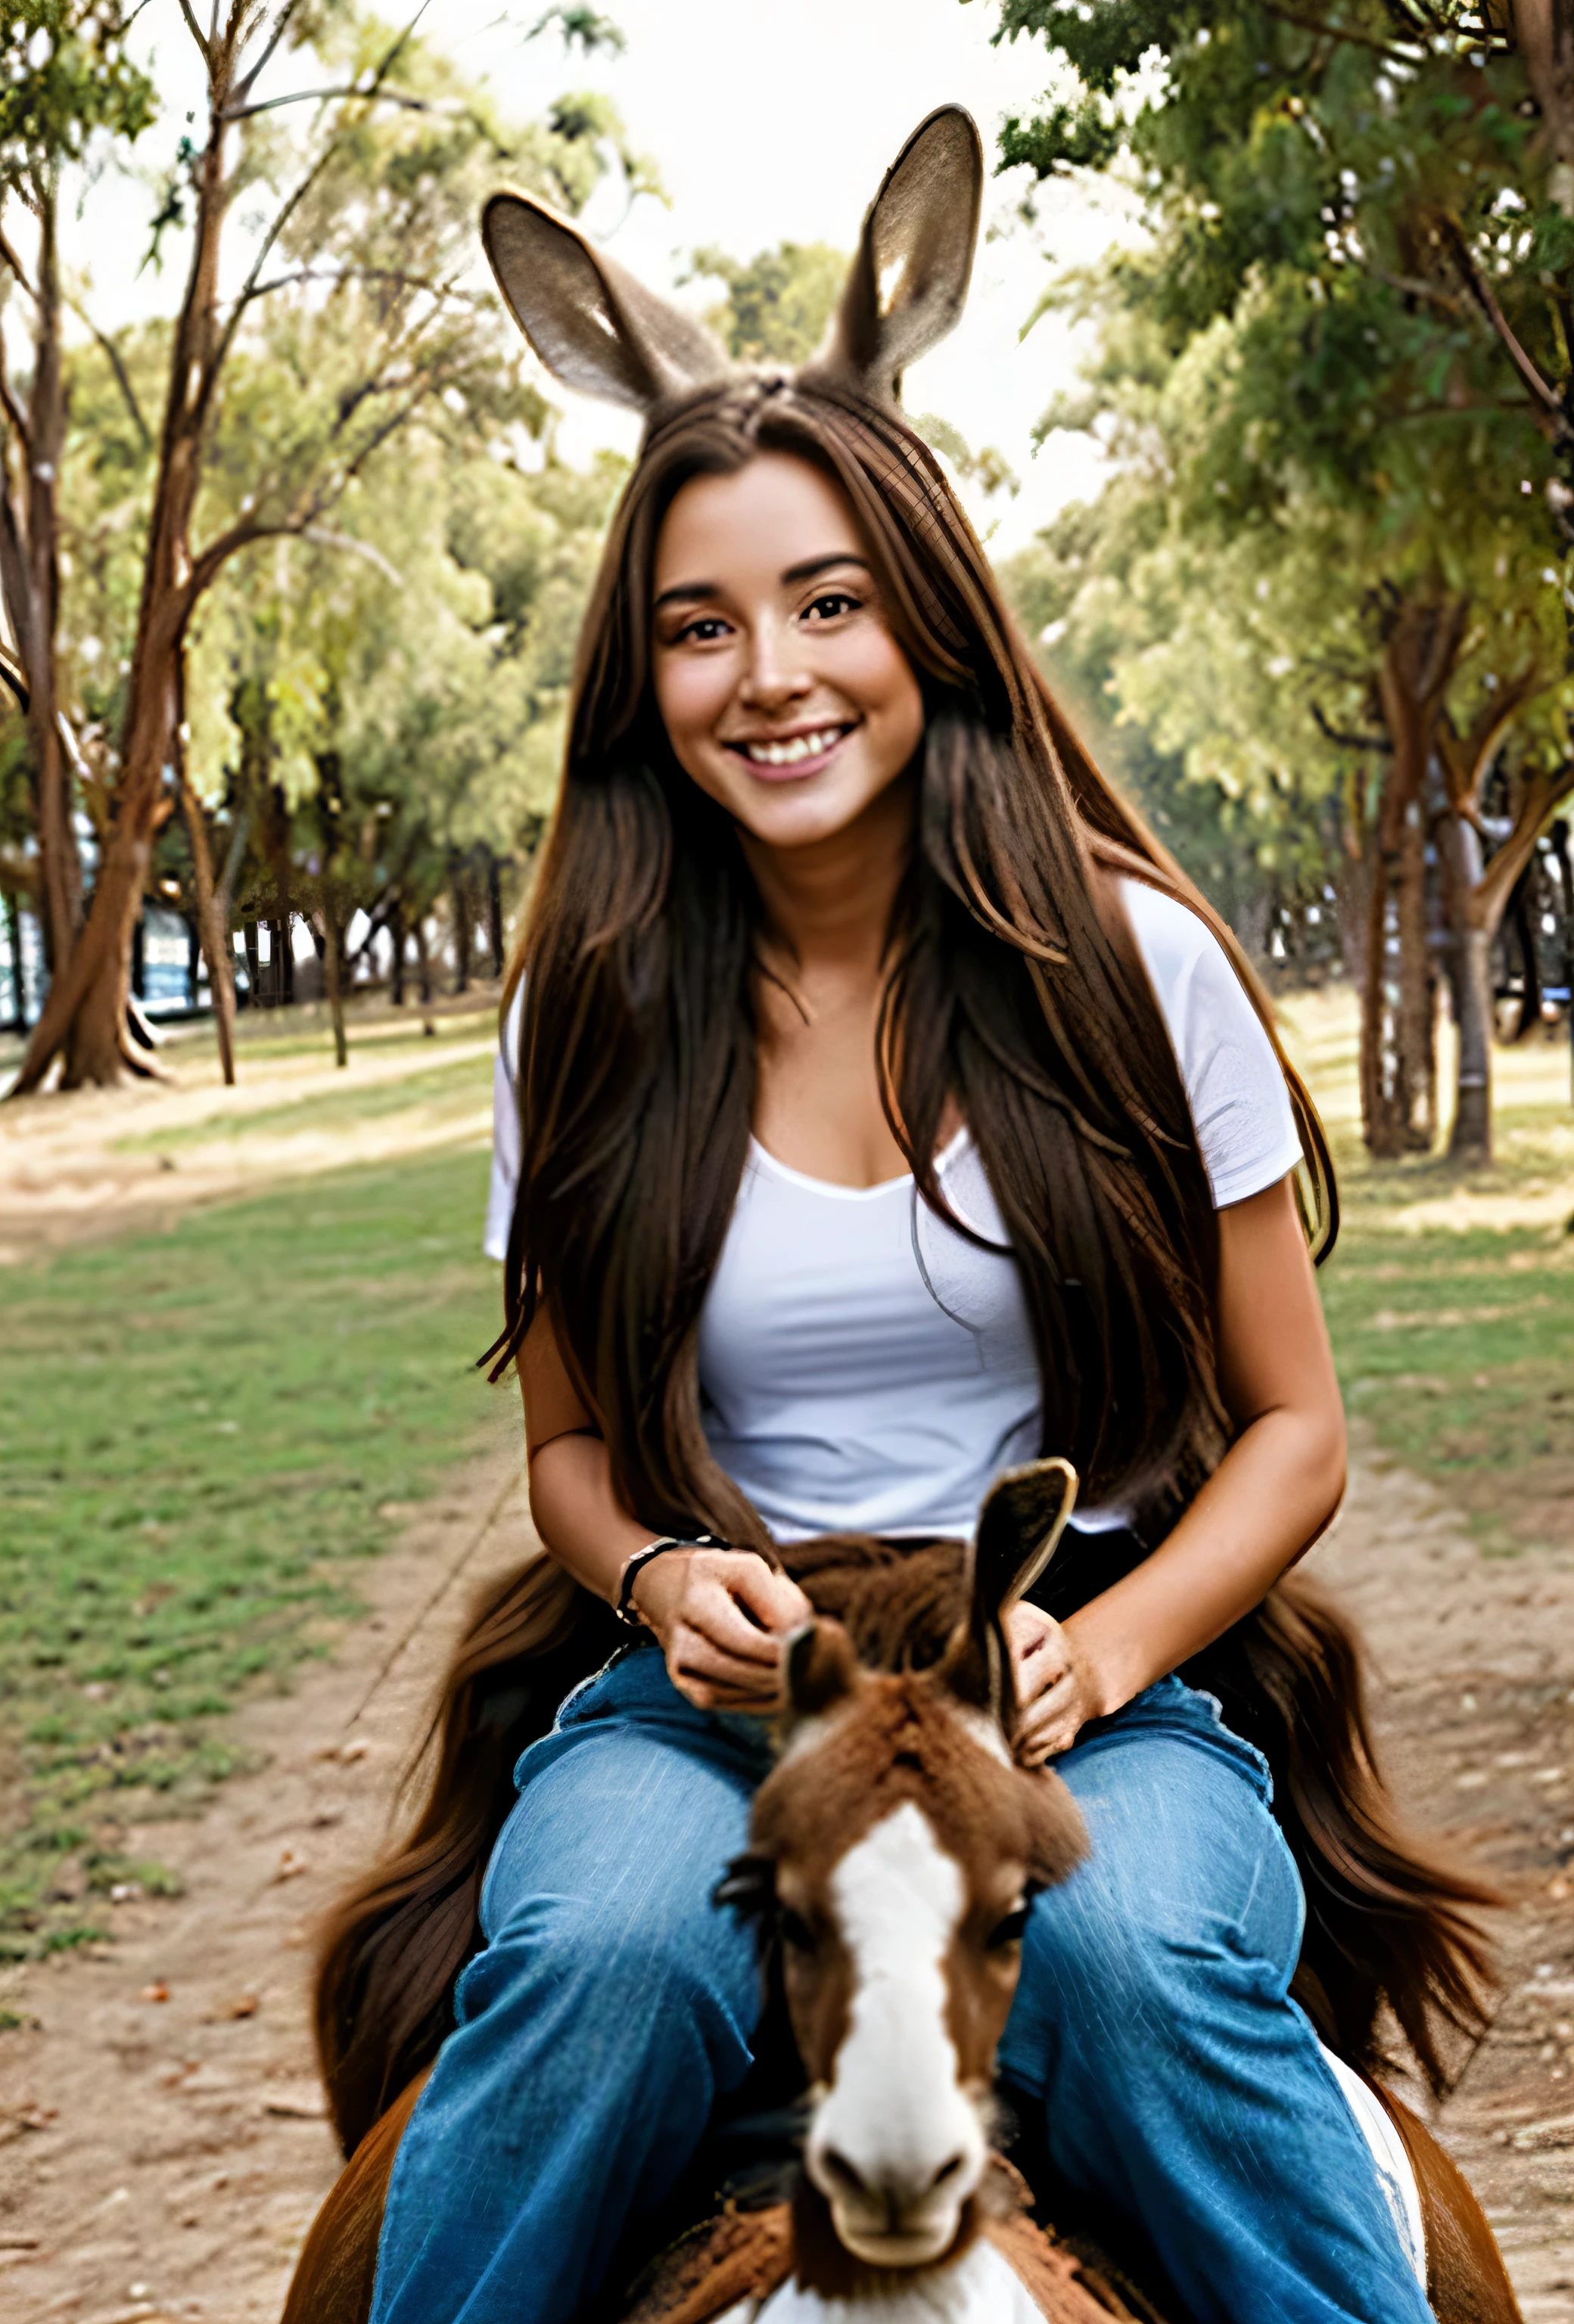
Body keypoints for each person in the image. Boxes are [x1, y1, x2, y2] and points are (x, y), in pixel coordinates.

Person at [357, 111, 1483, 2324]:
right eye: (700, 626)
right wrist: (660, 1574)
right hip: (716, 1714)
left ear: (930, 617)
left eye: (827, 602)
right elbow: (571, 1460)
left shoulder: (1138, 972)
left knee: (1152, 1974)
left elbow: (1296, 1432)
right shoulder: (583, 1028)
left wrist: (1111, 1644)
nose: (769, 672)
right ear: (642, 678)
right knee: (586, 1965)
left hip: (1081, 1692)